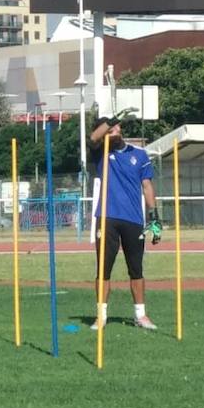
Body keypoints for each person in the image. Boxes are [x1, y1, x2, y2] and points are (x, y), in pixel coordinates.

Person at [89, 114, 162, 331]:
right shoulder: (100, 152)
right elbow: (93, 138)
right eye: (110, 129)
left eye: (117, 127)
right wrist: (109, 122)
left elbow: (147, 186)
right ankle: (101, 316)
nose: (114, 131)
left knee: (136, 269)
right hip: (107, 217)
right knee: (104, 270)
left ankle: (141, 315)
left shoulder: (139, 155)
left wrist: (154, 217)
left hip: (133, 219)